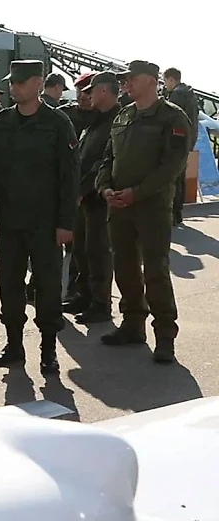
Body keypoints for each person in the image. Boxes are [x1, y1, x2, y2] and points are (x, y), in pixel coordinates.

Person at [0, 60, 78, 375]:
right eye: (12, 82)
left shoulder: (58, 123)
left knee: (47, 286)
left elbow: (69, 176)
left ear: (37, 83)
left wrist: (66, 222)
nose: (14, 87)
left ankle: (49, 349)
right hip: (9, 219)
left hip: (45, 222)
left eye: (20, 82)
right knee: (9, 283)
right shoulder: (1, 122)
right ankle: (14, 345)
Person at [97, 60, 192, 362]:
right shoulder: (124, 116)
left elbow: (172, 166)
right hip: (120, 206)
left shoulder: (171, 117)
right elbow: (108, 159)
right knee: (124, 267)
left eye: (131, 79)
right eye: (124, 80)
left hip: (152, 207)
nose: (126, 84)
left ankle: (165, 335)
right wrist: (105, 188)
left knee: (156, 271)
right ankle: (132, 325)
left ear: (152, 80)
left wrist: (137, 193)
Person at [64, 71, 121, 324]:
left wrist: (83, 189)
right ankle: (84, 295)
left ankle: (100, 303)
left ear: (104, 91)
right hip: (85, 197)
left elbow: (104, 162)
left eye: (91, 91)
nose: (86, 96)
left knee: (97, 252)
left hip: (98, 197)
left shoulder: (116, 121)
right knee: (81, 249)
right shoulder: (96, 121)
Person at [163, 67, 199, 225]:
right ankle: (178, 213)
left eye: (165, 81)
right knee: (180, 178)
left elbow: (169, 117)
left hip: (177, 142)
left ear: (172, 79)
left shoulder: (177, 95)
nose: (164, 85)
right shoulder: (189, 94)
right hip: (187, 141)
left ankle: (172, 214)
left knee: (173, 179)